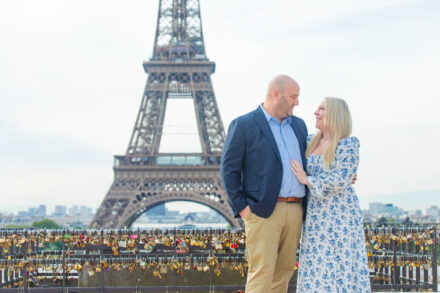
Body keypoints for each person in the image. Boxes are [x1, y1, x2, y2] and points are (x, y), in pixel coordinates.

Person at [220, 74, 308, 293]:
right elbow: (229, 169)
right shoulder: (244, 124)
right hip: (262, 210)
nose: (297, 102)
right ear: (275, 94)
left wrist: (341, 174)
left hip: (296, 208)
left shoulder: (299, 126)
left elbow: (314, 159)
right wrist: (243, 209)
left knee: (286, 270)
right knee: (262, 271)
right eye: (293, 97)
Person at [290, 97, 371, 292]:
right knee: (315, 265)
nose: (315, 112)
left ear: (335, 114)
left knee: (338, 265)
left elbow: (342, 179)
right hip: (316, 215)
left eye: (321, 109)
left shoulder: (348, 144)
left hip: (340, 215)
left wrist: (307, 179)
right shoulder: (309, 141)